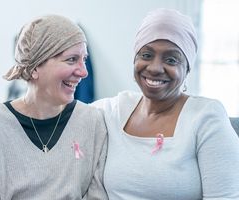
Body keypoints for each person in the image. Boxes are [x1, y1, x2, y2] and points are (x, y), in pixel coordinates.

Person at [92, 8, 239, 199]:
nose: (154, 68)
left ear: (187, 69)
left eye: (171, 59)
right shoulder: (113, 110)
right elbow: (60, 114)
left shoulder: (206, 117)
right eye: (146, 55)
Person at [0, 15, 108, 199]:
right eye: (72, 60)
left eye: (84, 59)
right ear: (35, 67)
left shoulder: (92, 120)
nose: (83, 72)